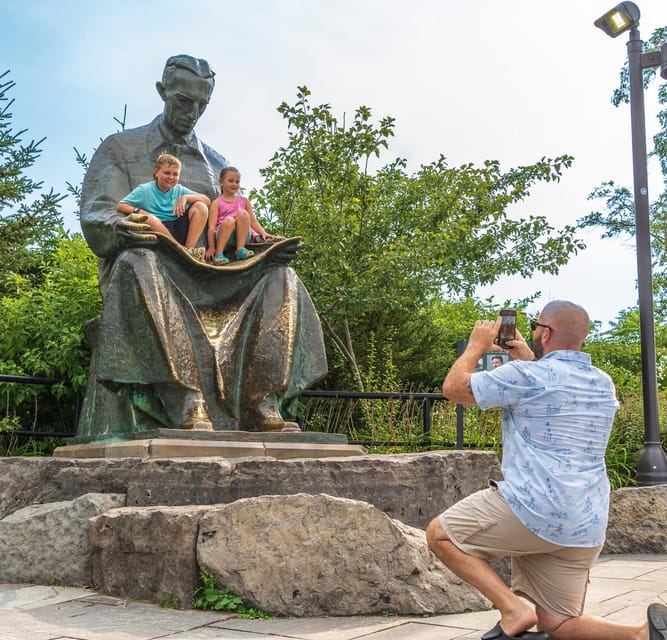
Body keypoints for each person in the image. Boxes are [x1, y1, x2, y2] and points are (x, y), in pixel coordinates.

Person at [78, 54, 327, 435]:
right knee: (138, 260)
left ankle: (260, 401)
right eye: (183, 101)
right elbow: (97, 212)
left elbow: (228, 225)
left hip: (210, 272)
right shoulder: (120, 149)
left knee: (281, 275)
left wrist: (264, 245)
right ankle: (184, 399)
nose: (192, 112)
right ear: (163, 92)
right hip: (155, 268)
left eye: (201, 104)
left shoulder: (215, 163)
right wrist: (126, 226)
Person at [426, 300, 667, 640]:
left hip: (533, 508)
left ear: (547, 332)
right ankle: (643, 634)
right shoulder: (602, 382)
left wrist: (476, 346)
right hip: (584, 523)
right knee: (559, 625)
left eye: (538, 326)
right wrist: (529, 356)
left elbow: (454, 388)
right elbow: (550, 390)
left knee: (441, 534)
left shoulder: (526, 376)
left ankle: (513, 610)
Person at [117, 153, 210, 261]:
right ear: (156, 173)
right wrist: (139, 210)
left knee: (201, 206)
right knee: (149, 219)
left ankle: (190, 250)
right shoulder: (144, 190)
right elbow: (120, 206)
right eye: (167, 173)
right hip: (161, 231)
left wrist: (186, 197)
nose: (171, 177)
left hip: (178, 227)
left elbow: (207, 201)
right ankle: (182, 251)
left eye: (175, 174)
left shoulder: (179, 190)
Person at [206, 166, 274, 265]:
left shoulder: (244, 201)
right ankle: (219, 254)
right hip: (224, 236)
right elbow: (211, 227)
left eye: (237, 182)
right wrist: (212, 246)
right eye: (231, 181)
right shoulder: (217, 203)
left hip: (242, 236)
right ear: (221, 182)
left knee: (243, 214)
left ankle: (240, 249)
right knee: (229, 220)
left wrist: (263, 233)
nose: (234, 184)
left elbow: (253, 221)